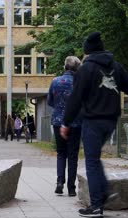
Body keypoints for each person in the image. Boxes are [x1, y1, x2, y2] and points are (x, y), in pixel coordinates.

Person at [61, 32, 128, 218]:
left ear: (87, 51)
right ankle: (102, 193)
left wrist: (66, 122)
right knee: (95, 158)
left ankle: (96, 205)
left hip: (93, 121)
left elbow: (75, 98)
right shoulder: (115, 67)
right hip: (110, 121)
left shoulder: (85, 70)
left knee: (92, 161)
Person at [47, 56, 82, 196]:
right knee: (73, 155)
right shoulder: (80, 82)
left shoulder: (55, 81)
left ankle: (59, 182)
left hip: (58, 121)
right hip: (76, 122)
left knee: (61, 153)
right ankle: (71, 188)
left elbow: (50, 101)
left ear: (65, 67)